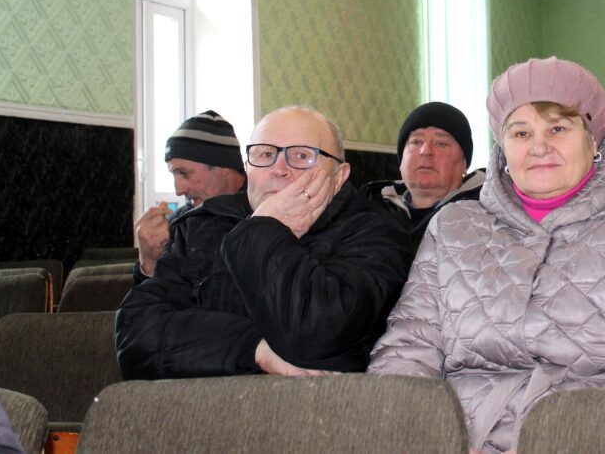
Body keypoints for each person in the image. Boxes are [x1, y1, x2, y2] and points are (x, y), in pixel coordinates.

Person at [370, 57, 605, 454]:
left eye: (558, 127)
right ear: (502, 148)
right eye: (521, 132)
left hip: (596, 438)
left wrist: (565, 440)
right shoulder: (453, 226)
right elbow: (407, 349)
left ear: (594, 140)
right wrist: (428, 435)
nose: (539, 146)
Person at [116, 105, 413, 379]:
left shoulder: (376, 230)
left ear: (339, 176)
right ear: (248, 168)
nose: (278, 169)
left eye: (301, 156)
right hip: (191, 410)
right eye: (264, 154)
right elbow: (135, 337)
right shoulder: (203, 225)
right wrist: (253, 348)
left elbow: (317, 339)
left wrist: (262, 231)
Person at [133, 110, 247, 281]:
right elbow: (151, 295)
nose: (178, 190)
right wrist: (148, 262)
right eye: (174, 174)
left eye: (184, 173)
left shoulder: (265, 214)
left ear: (224, 166)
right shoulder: (179, 224)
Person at [361, 102, 484, 251]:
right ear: (401, 162)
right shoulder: (367, 206)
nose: (425, 151)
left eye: (441, 143)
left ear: (464, 164)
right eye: (416, 142)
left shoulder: (488, 216)